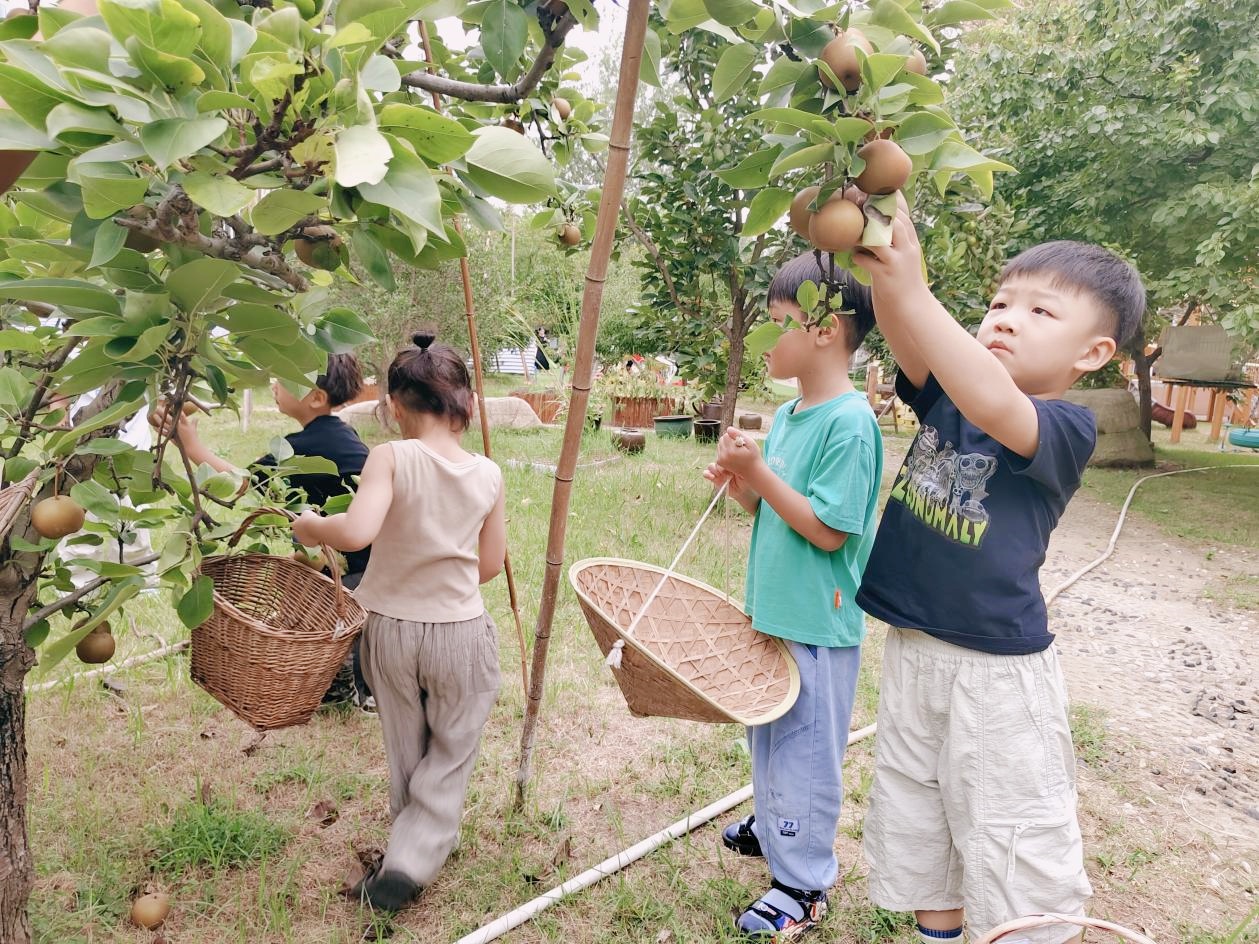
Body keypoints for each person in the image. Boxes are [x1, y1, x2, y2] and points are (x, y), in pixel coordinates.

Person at [852, 212, 1145, 944]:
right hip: (915, 652)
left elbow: (989, 395)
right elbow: (908, 332)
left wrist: (916, 289)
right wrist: (891, 257)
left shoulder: (1062, 426)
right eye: (999, 304)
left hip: (995, 678)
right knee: (921, 825)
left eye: (1039, 311)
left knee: (1012, 837)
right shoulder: (951, 393)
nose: (1006, 320)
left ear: (1093, 352)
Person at [291, 332, 506, 914]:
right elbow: (490, 564)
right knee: (454, 744)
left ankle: (409, 846)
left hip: (388, 629)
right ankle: (414, 855)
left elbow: (356, 532)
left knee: (404, 742)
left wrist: (311, 527)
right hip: (459, 630)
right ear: (464, 402)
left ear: (395, 406)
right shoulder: (488, 474)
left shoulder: (390, 457)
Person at [704, 253, 883, 939]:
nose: (761, 341)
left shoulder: (849, 421)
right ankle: (776, 826)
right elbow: (776, 513)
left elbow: (831, 532)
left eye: (774, 324)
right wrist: (742, 484)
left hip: (817, 620)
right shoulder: (787, 415)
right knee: (771, 731)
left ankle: (802, 882)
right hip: (777, 611)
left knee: (806, 751)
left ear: (824, 329)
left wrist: (758, 472)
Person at [153, 353, 374, 706]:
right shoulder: (334, 435)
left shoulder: (310, 445)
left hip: (365, 574)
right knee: (296, 576)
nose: (274, 384)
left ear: (315, 397)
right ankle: (342, 676)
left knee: (313, 599)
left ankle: (347, 679)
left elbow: (243, 484)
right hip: (361, 561)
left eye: (283, 379)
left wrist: (192, 447)